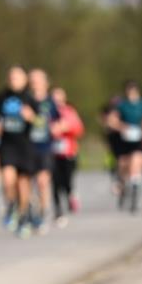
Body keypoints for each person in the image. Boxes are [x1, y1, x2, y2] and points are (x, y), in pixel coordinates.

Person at [0, 66, 37, 238]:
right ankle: (11, 206)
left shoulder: (30, 98)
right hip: (7, 144)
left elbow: (41, 123)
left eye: (17, 77)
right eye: (11, 77)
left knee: (23, 184)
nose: (13, 80)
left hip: (25, 145)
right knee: (8, 179)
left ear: (24, 79)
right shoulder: (1, 97)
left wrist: (31, 118)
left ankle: (23, 216)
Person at [27, 69, 59, 234]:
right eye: (32, 80)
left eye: (37, 80)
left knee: (43, 181)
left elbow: (59, 121)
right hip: (27, 147)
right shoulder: (25, 100)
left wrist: (57, 127)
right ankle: (30, 209)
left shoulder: (51, 102)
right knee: (27, 184)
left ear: (46, 83)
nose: (34, 83)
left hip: (45, 147)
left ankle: (43, 213)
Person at [108, 80, 142, 213]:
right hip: (124, 141)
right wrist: (123, 127)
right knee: (123, 167)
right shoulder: (122, 106)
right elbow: (111, 121)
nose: (131, 95)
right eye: (129, 92)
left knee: (135, 166)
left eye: (133, 92)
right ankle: (123, 187)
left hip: (138, 142)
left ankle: (134, 199)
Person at [49, 87, 84, 228]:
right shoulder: (47, 112)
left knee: (67, 181)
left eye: (59, 98)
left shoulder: (70, 111)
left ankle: (71, 195)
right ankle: (58, 211)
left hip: (68, 153)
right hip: (52, 153)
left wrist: (66, 127)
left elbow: (79, 129)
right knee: (55, 183)